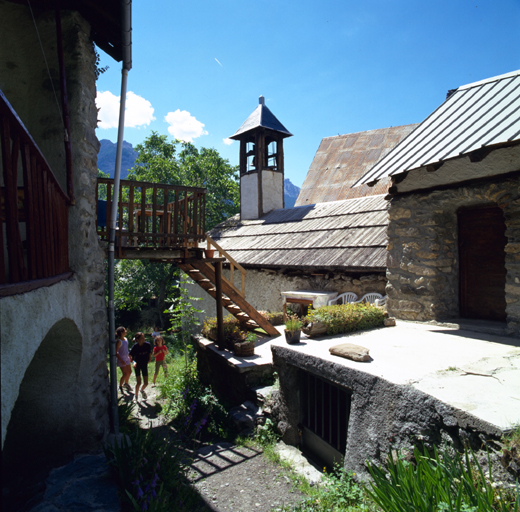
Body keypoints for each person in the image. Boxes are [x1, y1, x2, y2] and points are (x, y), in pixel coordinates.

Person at [129, 332, 152, 401]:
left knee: (146, 383)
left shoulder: (147, 345)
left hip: (144, 364)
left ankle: (141, 390)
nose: (143, 339)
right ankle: (136, 395)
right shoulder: (135, 347)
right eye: (142, 338)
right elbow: (130, 356)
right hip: (137, 365)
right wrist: (133, 362)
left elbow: (149, 353)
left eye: (143, 337)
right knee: (139, 382)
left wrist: (149, 359)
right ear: (137, 339)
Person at [115, 326, 132, 394]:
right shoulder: (119, 341)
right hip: (121, 359)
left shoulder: (125, 339)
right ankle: (120, 386)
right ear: (122, 332)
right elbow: (116, 352)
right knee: (125, 374)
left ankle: (126, 384)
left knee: (129, 372)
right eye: (125, 330)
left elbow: (126, 350)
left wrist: (129, 356)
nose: (126, 331)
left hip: (126, 358)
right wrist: (121, 360)